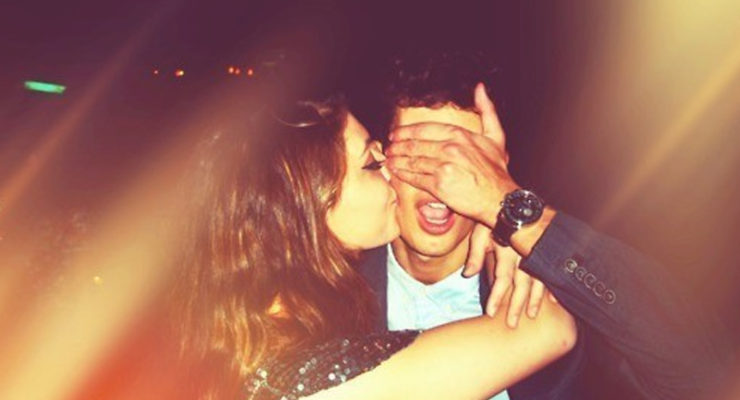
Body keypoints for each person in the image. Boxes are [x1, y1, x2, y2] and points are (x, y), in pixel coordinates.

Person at [169, 91, 576, 400]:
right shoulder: (304, 376)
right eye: (371, 163)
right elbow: (549, 328)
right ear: (308, 207)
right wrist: (505, 209)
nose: (442, 179)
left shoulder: (265, 331)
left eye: (466, 162)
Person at [370, 52, 727, 399]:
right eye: (415, 153)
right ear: (380, 159)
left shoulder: (553, 288)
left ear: (495, 169)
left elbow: (700, 371)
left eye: (465, 159)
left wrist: (516, 213)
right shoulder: (340, 282)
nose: (441, 178)